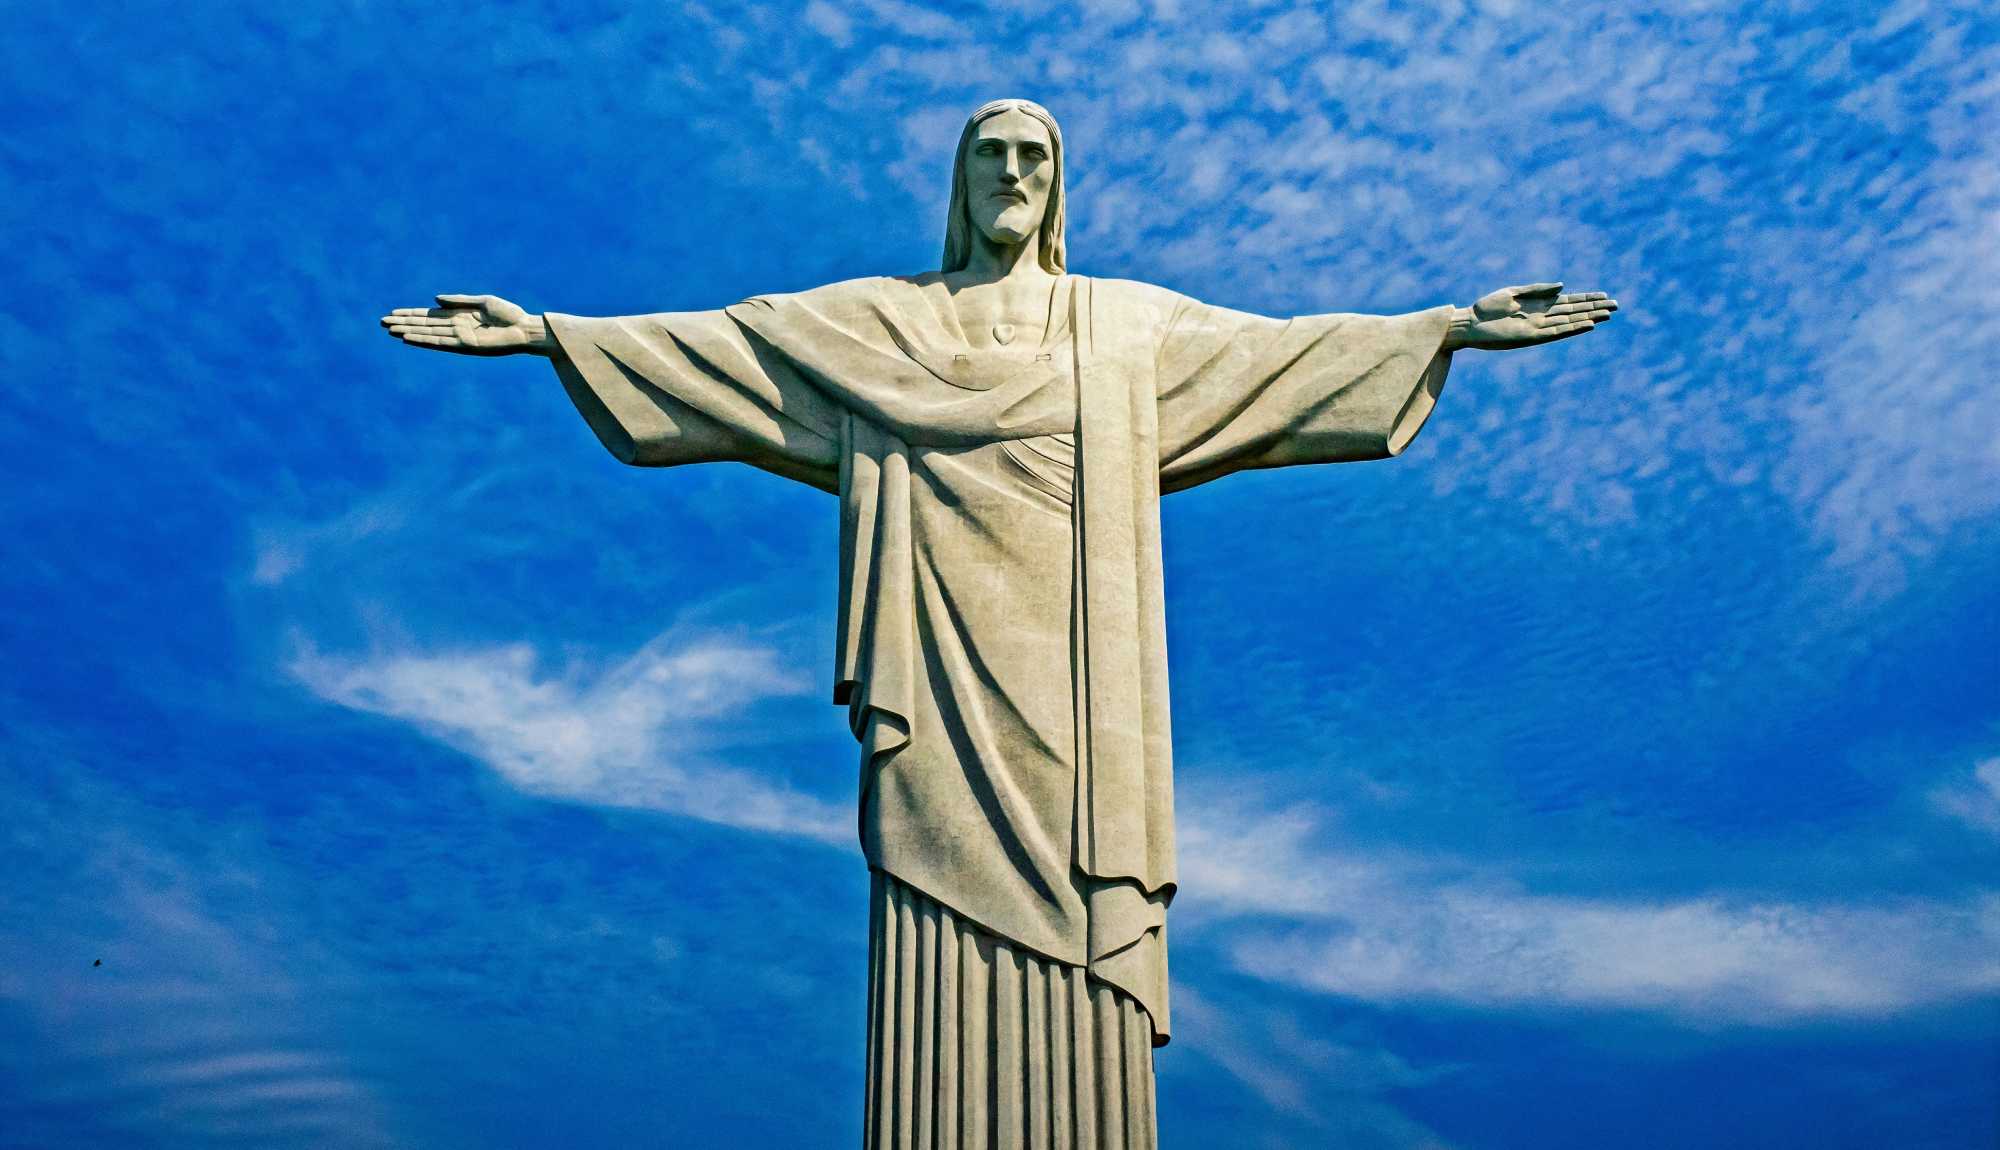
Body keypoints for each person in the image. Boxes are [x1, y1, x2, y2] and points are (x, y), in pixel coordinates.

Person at [381, 97, 1616, 1150]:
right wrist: (550, 334)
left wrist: (1446, 326)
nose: (1012, 174)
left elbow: (1281, 357)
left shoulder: (1124, 327)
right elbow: (733, 346)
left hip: (1081, 679)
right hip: (934, 667)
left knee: (1080, 904)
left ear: (1056, 182)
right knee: (933, 895)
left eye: (1032, 156)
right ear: (960, 181)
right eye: (990, 155)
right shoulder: (883, 323)